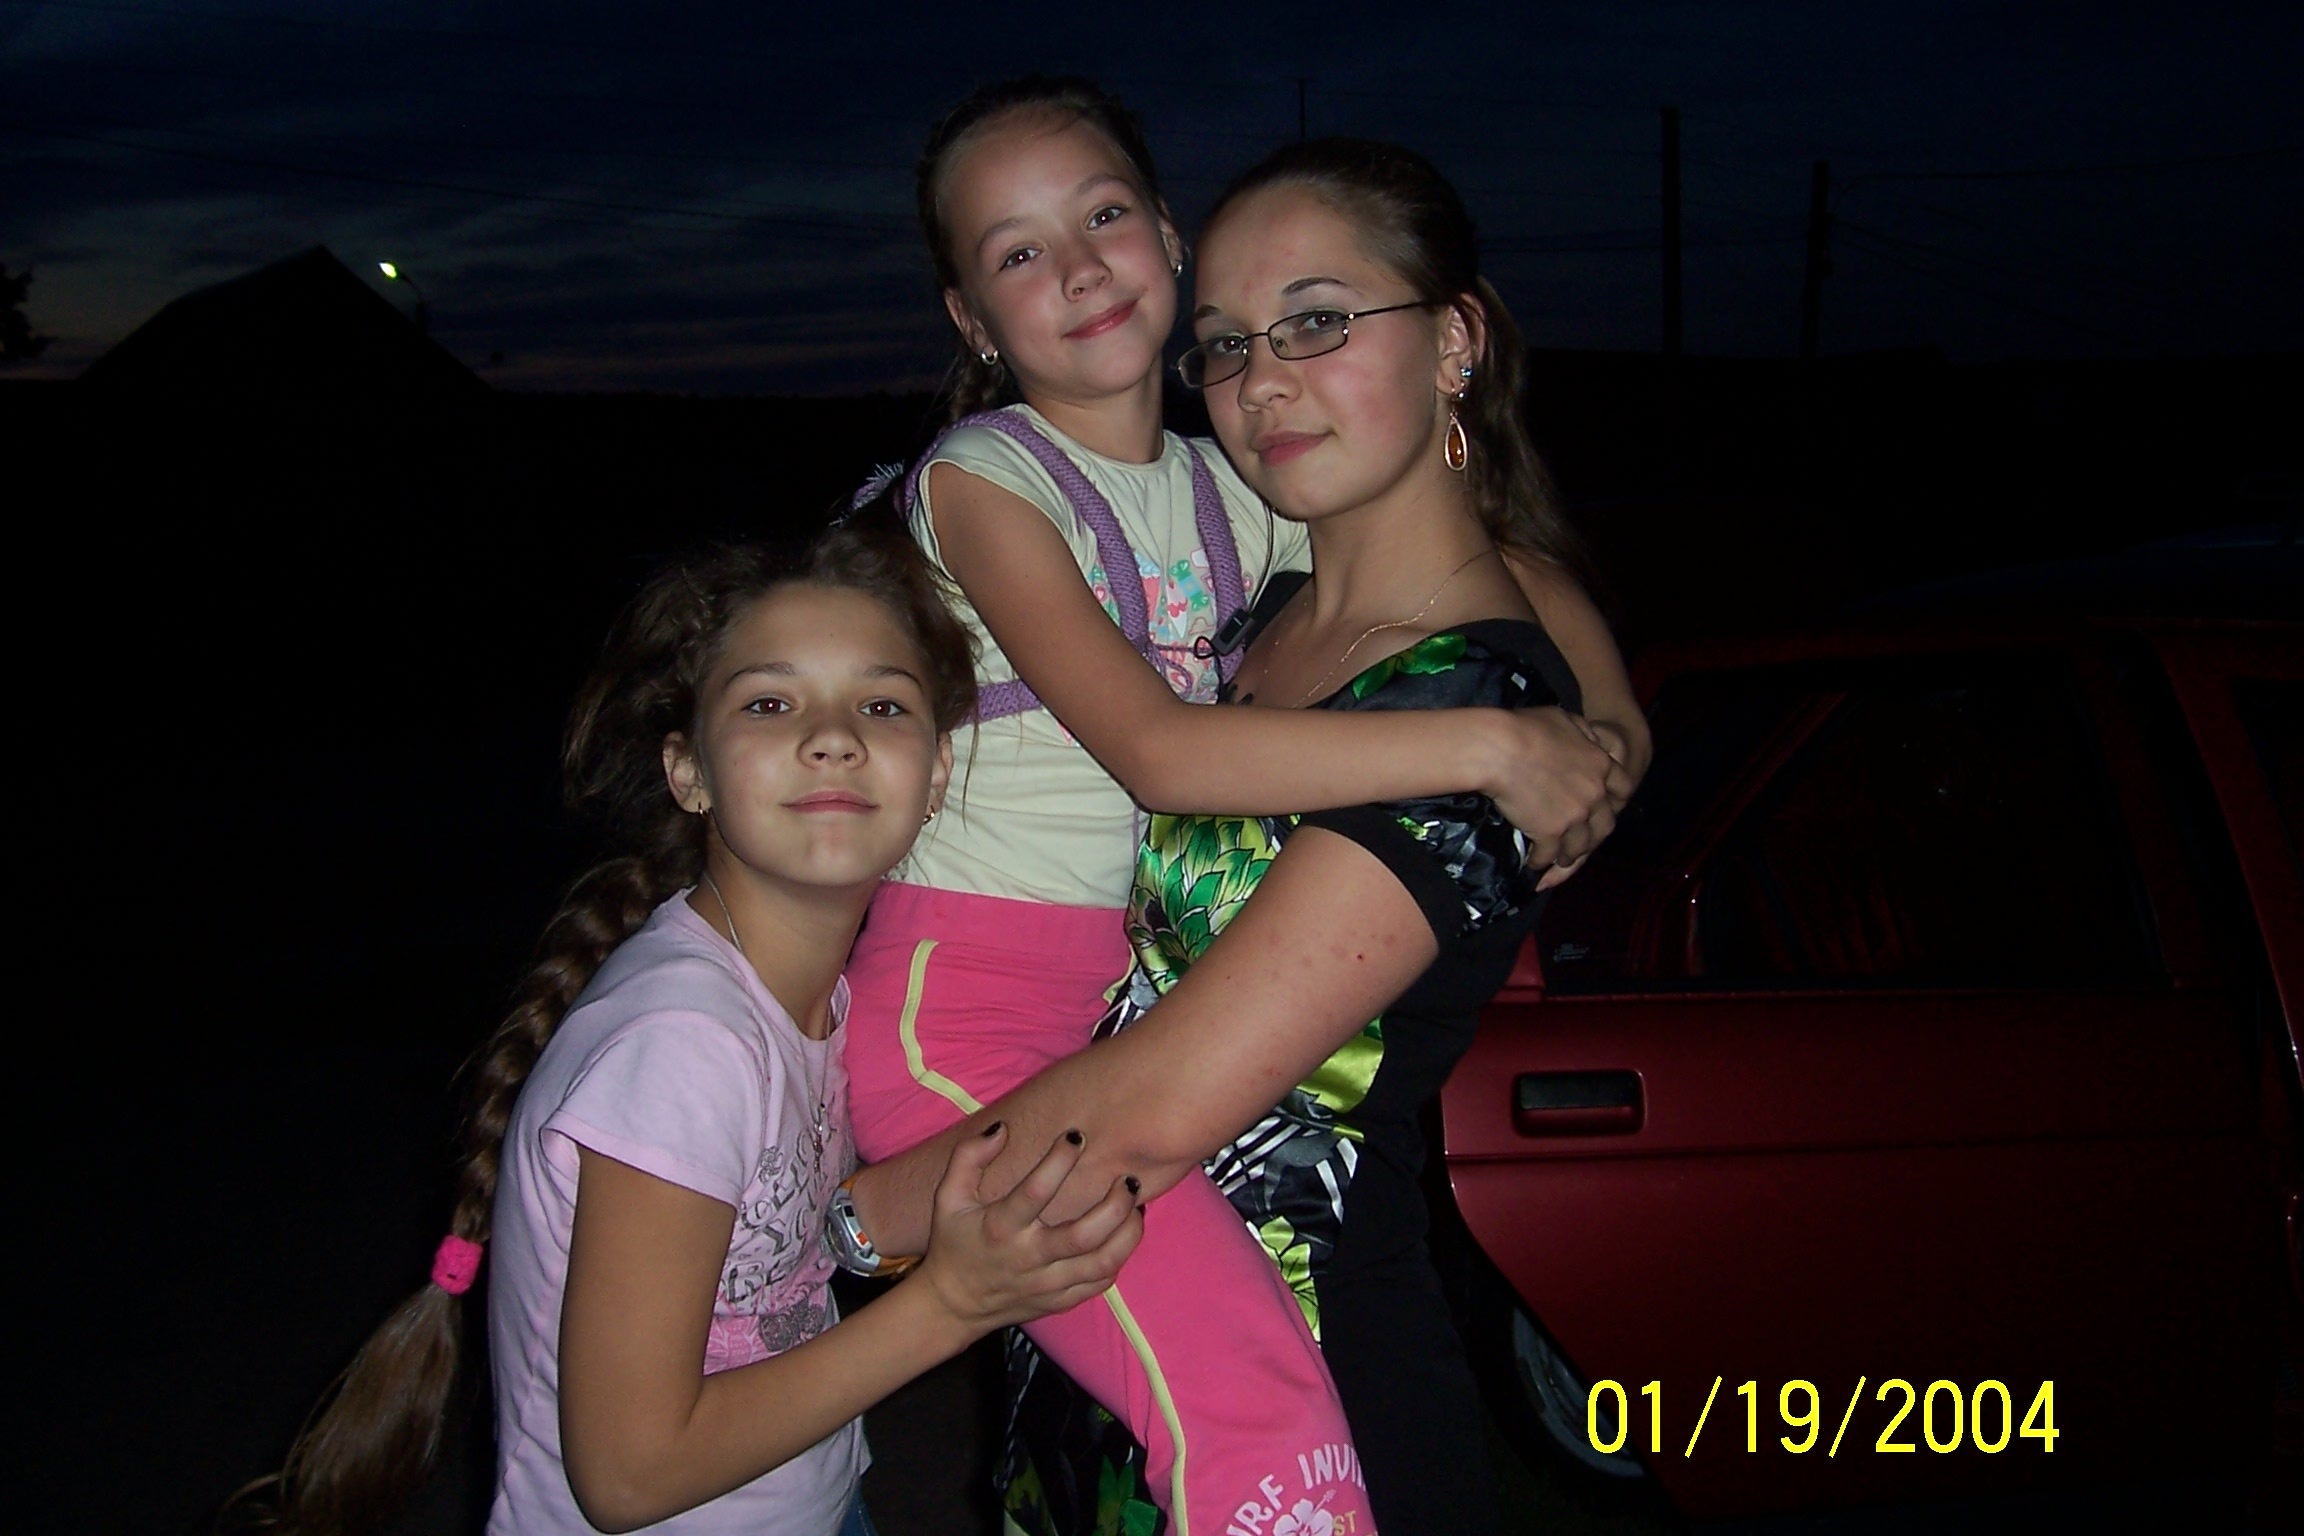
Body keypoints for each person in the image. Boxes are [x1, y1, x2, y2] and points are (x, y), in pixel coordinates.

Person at [839, 76, 1648, 1536]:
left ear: (1454, 339)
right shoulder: (1199, 564)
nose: (1265, 380)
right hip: (1019, 1126)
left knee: (1259, 1444)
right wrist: (1544, 732)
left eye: (1318, 322)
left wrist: (1596, 728)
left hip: (1284, 1316)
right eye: (1231, 343)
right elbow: (1165, 752)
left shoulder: (1392, 639)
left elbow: (1158, 1105)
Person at [231, 527, 1143, 1536]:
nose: (832, 737)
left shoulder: (805, 995)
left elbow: (779, 1244)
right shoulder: (681, 1043)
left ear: (935, 777)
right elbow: (629, 1477)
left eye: (883, 705)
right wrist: (954, 1303)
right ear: (689, 773)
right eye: (769, 704)